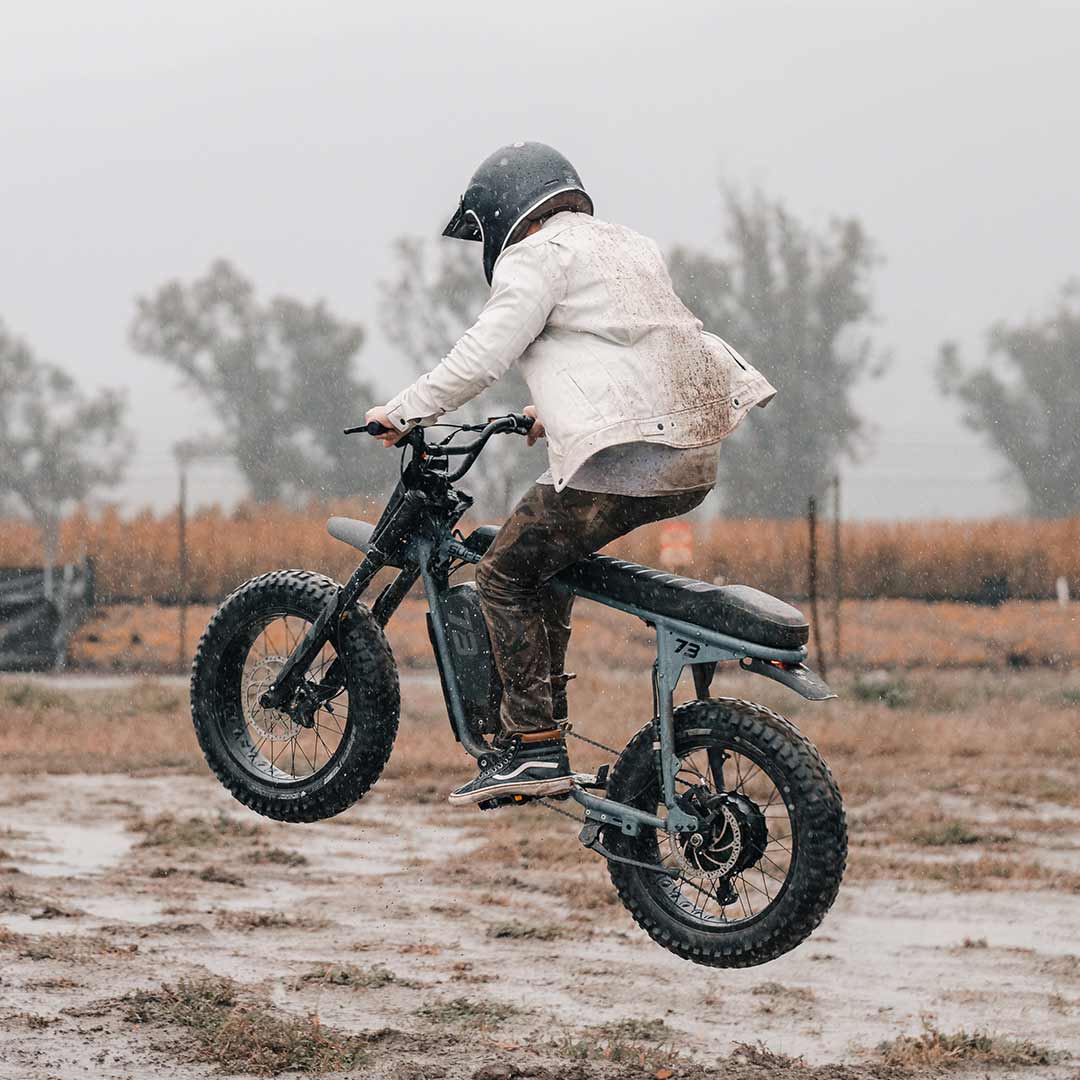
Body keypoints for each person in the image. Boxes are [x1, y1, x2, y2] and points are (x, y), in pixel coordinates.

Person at [366, 141, 775, 807]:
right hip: (692, 452)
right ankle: (542, 728)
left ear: (506, 213)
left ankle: (531, 747)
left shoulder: (537, 254)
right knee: (540, 562)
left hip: (629, 463)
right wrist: (553, 415)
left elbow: (485, 352)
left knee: (501, 573)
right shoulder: (624, 245)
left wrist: (405, 412)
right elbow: (628, 345)